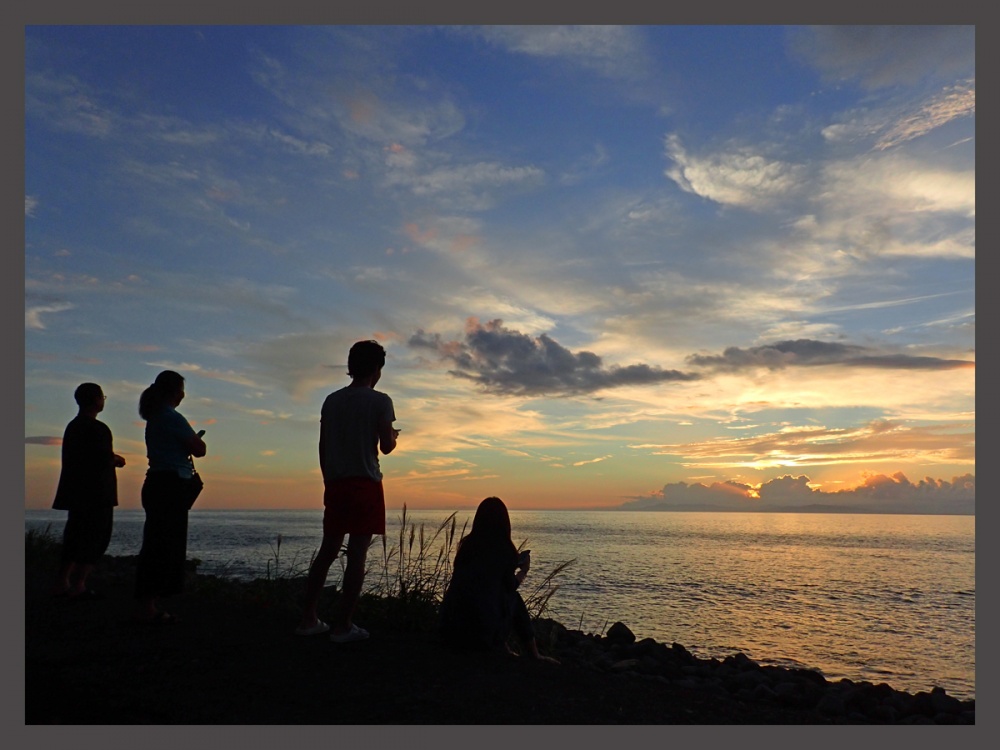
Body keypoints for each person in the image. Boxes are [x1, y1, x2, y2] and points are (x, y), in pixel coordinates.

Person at [296, 340, 398, 642]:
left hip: (336, 483)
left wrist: (328, 479)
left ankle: (308, 619)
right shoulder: (381, 401)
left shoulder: (331, 401)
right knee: (356, 557)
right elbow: (386, 446)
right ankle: (343, 625)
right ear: (377, 369)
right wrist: (392, 435)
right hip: (366, 483)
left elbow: (323, 445)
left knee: (327, 551)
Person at [439, 496, 558, 663]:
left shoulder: (467, 546)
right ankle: (533, 654)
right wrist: (523, 570)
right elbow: (510, 587)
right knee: (514, 599)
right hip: (481, 637)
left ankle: (504, 647)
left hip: (451, 629)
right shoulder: (504, 550)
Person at [133, 370, 207, 624]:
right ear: (176, 392)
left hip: (156, 483)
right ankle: (149, 606)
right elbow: (200, 449)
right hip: (170, 486)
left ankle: (148, 602)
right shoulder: (172, 417)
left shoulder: (154, 417)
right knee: (163, 546)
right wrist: (194, 439)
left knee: (155, 542)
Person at [51, 383, 126, 600]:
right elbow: (102, 458)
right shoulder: (98, 428)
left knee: (74, 535)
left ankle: (62, 581)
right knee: (96, 538)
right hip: (98, 493)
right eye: (102, 396)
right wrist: (117, 460)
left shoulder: (72, 426)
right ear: (96, 400)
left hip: (76, 492)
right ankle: (79, 584)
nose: (104, 400)